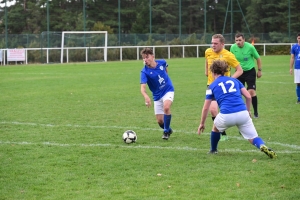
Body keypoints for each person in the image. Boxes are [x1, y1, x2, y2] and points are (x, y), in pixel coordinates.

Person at [197, 60, 277, 159]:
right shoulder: (235, 80)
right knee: (253, 137)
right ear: (225, 71)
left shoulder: (212, 86)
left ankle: (213, 150)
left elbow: (205, 108)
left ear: (212, 72)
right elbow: (248, 96)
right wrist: (248, 111)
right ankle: (262, 146)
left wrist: (202, 123)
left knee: (215, 128)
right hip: (242, 113)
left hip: (226, 115)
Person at [205, 34, 243, 141]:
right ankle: (222, 132)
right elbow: (207, 62)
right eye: (212, 43)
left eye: (216, 43)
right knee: (213, 110)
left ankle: (242, 127)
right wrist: (206, 72)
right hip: (211, 86)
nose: (213, 45)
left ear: (222, 44)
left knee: (231, 110)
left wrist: (230, 80)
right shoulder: (208, 52)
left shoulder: (228, 55)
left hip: (224, 88)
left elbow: (240, 70)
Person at [140, 47, 174, 140]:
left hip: (168, 89)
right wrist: (146, 96)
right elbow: (142, 88)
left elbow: (166, 71)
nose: (145, 60)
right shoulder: (144, 72)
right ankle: (168, 129)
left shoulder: (162, 62)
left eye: (147, 57)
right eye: (143, 58)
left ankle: (166, 132)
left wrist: (166, 81)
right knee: (160, 121)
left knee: (166, 107)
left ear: (153, 57)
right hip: (157, 95)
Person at [230, 33, 262, 118]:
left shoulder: (250, 47)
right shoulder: (233, 48)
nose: (238, 42)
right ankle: (242, 112)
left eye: (240, 40)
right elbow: (230, 60)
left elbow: (258, 58)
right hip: (239, 72)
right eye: (236, 40)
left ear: (244, 40)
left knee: (251, 91)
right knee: (239, 92)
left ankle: (255, 112)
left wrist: (259, 70)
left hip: (250, 71)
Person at [290, 32, 300, 104]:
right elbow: (292, 58)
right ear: (297, 38)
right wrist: (291, 68)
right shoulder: (294, 47)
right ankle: (299, 99)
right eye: (299, 38)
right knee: (298, 83)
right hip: (297, 67)